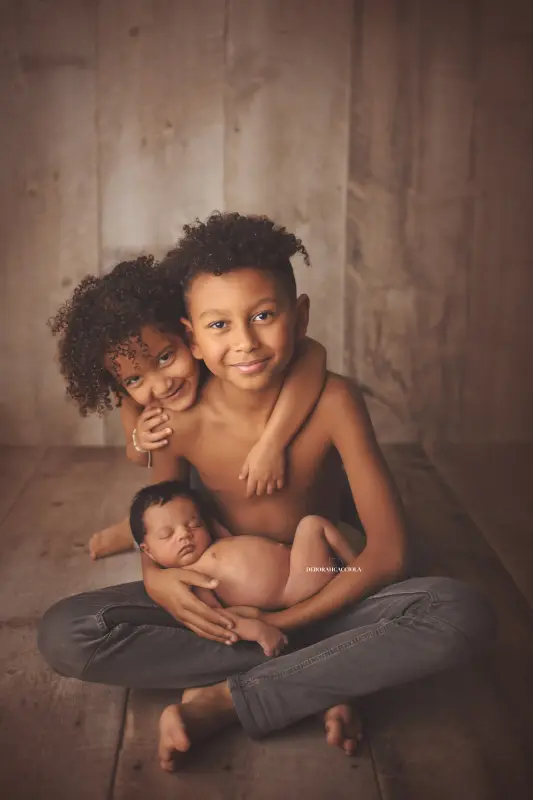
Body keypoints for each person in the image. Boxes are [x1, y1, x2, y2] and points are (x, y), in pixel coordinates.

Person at [38, 212, 493, 774]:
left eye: (263, 316)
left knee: (459, 612)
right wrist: (161, 582)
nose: (246, 342)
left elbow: (388, 556)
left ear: (298, 318)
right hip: (227, 609)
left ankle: (231, 697)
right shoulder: (178, 423)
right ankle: (329, 674)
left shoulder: (334, 402)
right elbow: (163, 522)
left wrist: (287, 625)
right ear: (193, 338)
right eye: (220, 326)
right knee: (67, 632)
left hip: (331, 591)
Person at [48, 255, 327, 559]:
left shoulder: (229, 358)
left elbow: (313, 354)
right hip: (192, 468)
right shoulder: (140, 397)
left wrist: (273, 441)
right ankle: (138, 531)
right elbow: (138, 455)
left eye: (166, 358)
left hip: (238, 471)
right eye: (135, 379)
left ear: (189, 334)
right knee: (172, 493)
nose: (161, 385)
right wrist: (138, 438)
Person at [129, 479, 359, 655]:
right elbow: (218, 618)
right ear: (147, 551)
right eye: (167, 535)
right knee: (312, 525)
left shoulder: (215, 539)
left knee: (312, 524)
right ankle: (355, 570)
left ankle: (357, 566)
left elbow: (208, 514)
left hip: (303, 564)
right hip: (296, 587)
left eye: (193, 524)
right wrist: (258, 631)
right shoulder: (189, 579)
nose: (184, 535)